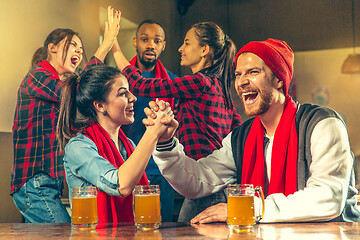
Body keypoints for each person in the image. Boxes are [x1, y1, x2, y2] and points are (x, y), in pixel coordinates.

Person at [147, 38, 360, 223]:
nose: (241, 82)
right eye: (238, 74)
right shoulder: (241, 137)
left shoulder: (322, 123)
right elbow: (197, 181)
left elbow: (328, 197)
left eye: (253, 72)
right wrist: (166, 144)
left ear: (279, 79)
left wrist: (246, 209)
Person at [113, 19, 242, 221]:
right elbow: (237, 132)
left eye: (187, 43)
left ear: (204, 50)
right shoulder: (219, 86)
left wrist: (114, 49)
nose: (180, 48)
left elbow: (139, 85)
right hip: (217, 185)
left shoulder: (200, 81)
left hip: (204, 187)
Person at [11, 6, 120, 223]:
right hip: (34, 184)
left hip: (47, 184)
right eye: (73, 46)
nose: (79, 52)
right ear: (52, 48)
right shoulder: (37, 76)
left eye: (81, 48)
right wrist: (105, 46)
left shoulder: (57, 84)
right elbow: (79, 91)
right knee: (65, 233)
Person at [56, 65, 177, 224]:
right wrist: (152, 133)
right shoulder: (78, 147)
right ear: (100, 105)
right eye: (123, 94)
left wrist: (164, 139)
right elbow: (121, 185)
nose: (133, 98)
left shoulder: (129, 145)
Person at [121, 19, 177, 222]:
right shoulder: (119, 80)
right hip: (127, 165)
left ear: (163, 45)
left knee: (164, 228)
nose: (150, 45)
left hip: (161, 168)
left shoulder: (172, 82)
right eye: (145, 39)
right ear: (135, 42)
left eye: (156, 40)